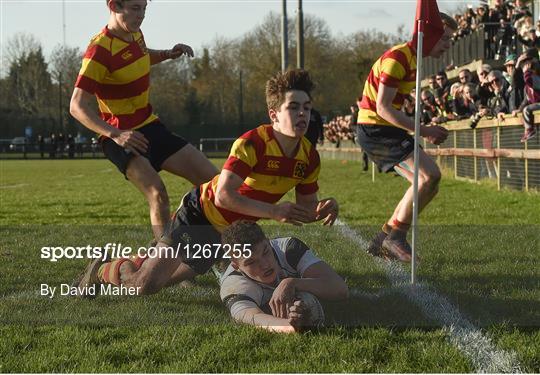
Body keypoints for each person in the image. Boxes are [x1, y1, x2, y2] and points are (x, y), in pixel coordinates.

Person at [75, 69, 339, 297]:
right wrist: (273, 211)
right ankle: (101, 268)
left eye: (306, 107)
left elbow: (305, 210)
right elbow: (224, 196)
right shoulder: (253, 143)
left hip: (225, 236)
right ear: (274, 114)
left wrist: (324, 208)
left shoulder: (309, 157)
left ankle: (138, 261)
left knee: (163, 281)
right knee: (145, 286)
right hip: (200, 215)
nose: (302, 114)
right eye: (293, 107)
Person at [70, 0, 218, 241]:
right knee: (157, 193)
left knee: (214, 181)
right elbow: (76, 106)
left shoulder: (135, 33)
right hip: (120, 137)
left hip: (150, 126)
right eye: (135, 8)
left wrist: (166, 55)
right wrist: (116, 134)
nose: (141, 16)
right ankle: (164, 267)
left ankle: (212, 248)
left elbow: (138, 56)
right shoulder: (99, 50)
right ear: (114, 6)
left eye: (144, 9)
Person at [356, 12, 456, 262]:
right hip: (376, 129)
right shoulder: (399, 58)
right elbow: (383, 108)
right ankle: (396, 238)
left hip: (384, 129)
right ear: (428, 34)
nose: (448, 45)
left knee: (427, 186)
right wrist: (426, 130)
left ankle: (383, 238)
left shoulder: (412, 60)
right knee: (429, 175)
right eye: (444, 38)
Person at [220, 220, 348, 333]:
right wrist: (291, 325)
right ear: (236, 266)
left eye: (265, 252)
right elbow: (253, 318)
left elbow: (340, 289)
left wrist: (292, 283)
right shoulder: (234, 285)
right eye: (251, 262)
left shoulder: (288, 249)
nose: (265, 265)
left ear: (269, 242)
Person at [512, 51, 540, 142]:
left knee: (527, 109)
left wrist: (527, 72)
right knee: (525, 109)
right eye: (524, 62)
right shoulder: (527, 81)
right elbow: (527, 99)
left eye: (527, 61)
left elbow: (530, 81)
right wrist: (519, 109)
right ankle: (529, 131)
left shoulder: (535, 76)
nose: (525, 64)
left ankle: (530, 130)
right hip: (537, 106)